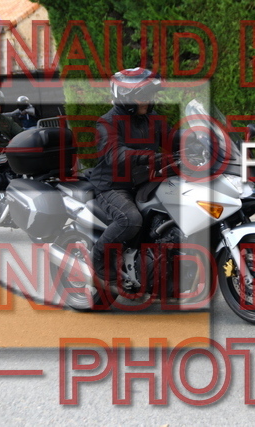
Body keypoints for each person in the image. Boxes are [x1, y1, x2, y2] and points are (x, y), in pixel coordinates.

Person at [88, 68, 169, 281]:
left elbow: (172, 138)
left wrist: (198, 138)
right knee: (130, 219)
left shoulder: (151, 119)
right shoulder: (107, 122)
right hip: (113, 185)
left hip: (143, 181)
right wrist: (148, 157)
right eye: (143, 96)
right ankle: (98, 259)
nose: (148, 101)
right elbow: (115, 154)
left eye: (150, 95)